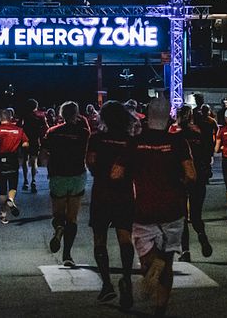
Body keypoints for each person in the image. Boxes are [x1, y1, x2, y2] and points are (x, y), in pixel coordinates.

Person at [114, 97, 195, 317]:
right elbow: (191, 174)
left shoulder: (135, 142)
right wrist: (179, 185)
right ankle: (160, 309)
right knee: (168, 263)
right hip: (173, 208)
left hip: (144, 209)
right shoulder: (178, 142)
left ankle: (153, 263)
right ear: (169, 117)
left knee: (146, 261)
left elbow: (116, 173)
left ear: (147, 117)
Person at [85, 101, 135, 308]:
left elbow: (90, 162)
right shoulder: (130, 140)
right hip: (124, 193)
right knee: (125, 238)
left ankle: (107, 284)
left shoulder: (96, 138)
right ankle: (127, 279)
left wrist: (102, 173)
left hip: (102, 193)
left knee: (100, 238)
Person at [43, 101, 90, 267]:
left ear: (61, 114)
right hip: (77, 174)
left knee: (58, 213)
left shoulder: (53, 132)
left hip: (58, 175)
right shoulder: (84, 132)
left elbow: (45, 153)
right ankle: (67, 255)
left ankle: (58, 229)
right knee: (73, 217)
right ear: (76, 114)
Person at [172, 106, 213, 262]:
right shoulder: (199, 134)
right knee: (196, 214)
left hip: (180, 178)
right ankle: (202, 235)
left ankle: (186, 251)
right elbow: (206, 154)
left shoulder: (176, 137)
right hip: (198, 176)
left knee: (182, 216)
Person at [0, 109, 28, 224]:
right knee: (13, 186)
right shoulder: (19, 130)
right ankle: (11, 200)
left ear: (0, 118)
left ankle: (3, 215)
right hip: (13, 160)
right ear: (11, 118)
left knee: (2, 190)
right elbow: (26, 144)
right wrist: (20, 153)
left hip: (0, 161)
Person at [19, 99, 48, 193]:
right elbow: (45, 128)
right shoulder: (40, 116)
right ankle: (33, 181)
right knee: (34, 160)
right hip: (35, 140)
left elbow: (18, 126)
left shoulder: (24, 116)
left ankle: (25, 181)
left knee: (25, 160)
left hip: (25, 140)